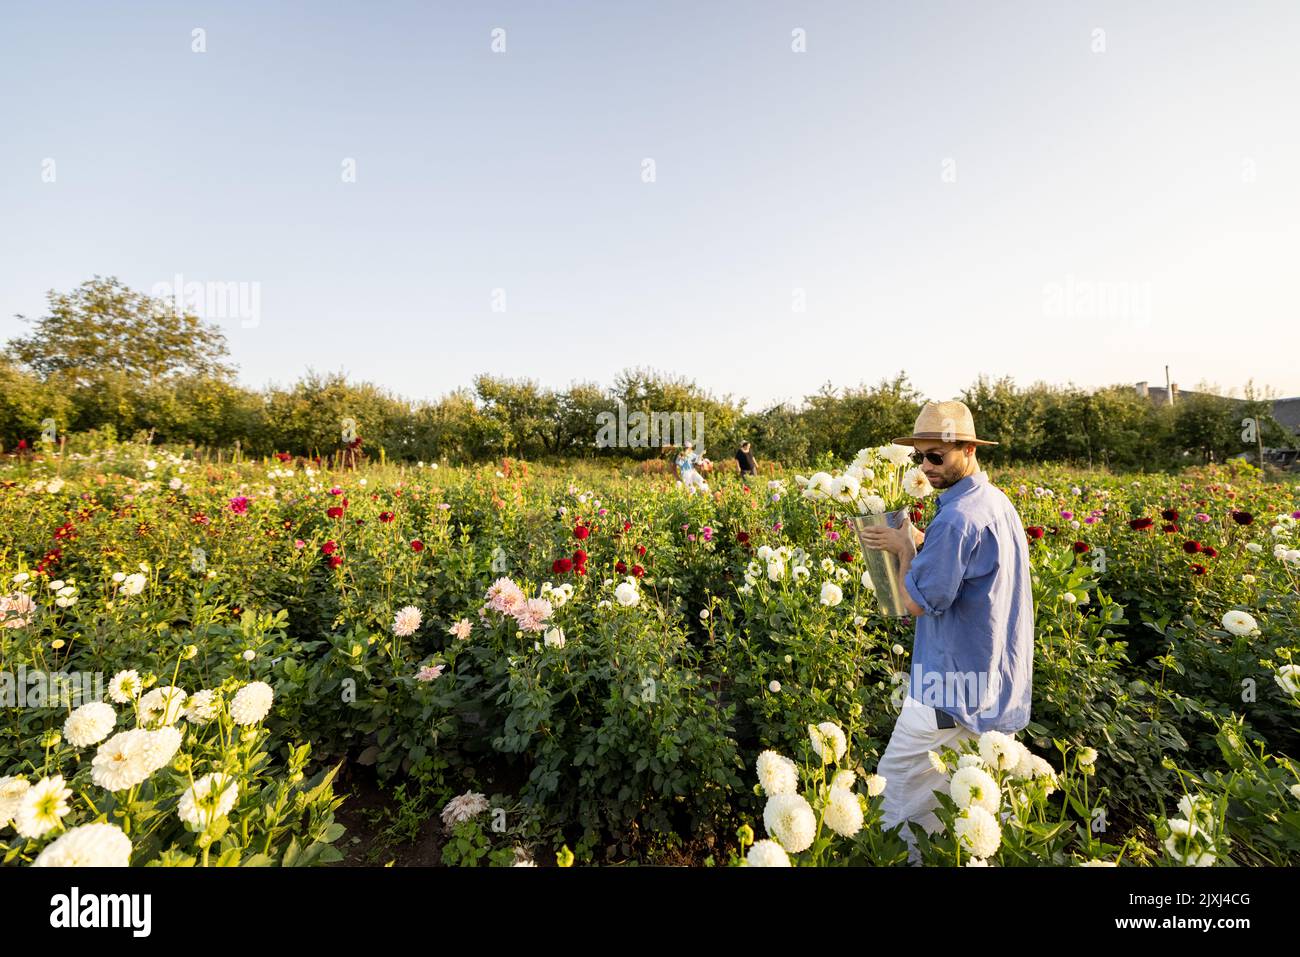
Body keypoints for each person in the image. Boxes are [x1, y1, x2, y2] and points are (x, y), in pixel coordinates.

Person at [858, 400, 1033, 863]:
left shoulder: (956, 518)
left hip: (946, 689)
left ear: (969, 449)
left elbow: (916, 602)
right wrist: (922, 542)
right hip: (990, 684)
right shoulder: (994, 503)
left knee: (891, 794)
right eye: (919, 456)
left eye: (937, 456)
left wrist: (902, 550)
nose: (925, 467)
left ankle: (890, 859)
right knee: (963, 808)